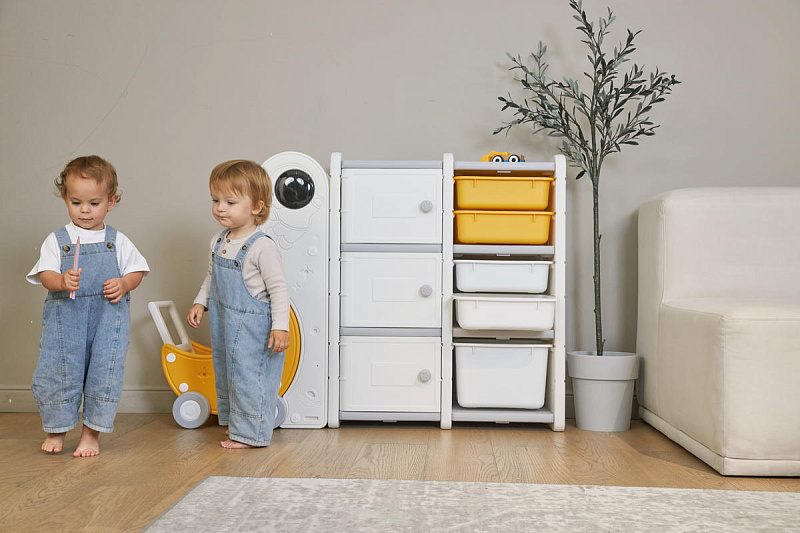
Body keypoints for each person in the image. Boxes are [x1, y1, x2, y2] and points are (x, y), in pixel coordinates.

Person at [27, 155, 149, 457]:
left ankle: (91, 434)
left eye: (94, 203)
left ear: (112, 201)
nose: (84, 210)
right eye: (76, 202)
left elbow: (137, 270)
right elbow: (45, 275)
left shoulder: (117, 241)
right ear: (65, 199)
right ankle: (56, 430)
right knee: (59, 371)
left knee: (104, 372)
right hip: (66, 320)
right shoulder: (58, 240)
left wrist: (124, 284)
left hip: (107, 320)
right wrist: (61, 280)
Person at [187, 160, 289, 449]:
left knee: (249, 377)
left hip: (252, 328)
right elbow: (211, 277)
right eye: (215, 200)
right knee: (228, 374)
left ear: (256, 207)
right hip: (224, 322)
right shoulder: (218, 241)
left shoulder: (262, 246)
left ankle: (251, 434)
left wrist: (281, 327)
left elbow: (279, 289)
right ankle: (238, 427)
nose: (220, 208)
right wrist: (200, 303)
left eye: (230, 202)